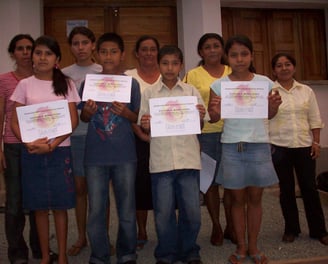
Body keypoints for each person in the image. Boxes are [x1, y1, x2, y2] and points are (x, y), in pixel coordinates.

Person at [208, 35, 281, 264]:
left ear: (251, 55)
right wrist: (215, 109)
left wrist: (272, 107)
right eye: (234, 55)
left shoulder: (265, 83)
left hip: (258, 145)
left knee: (256, 199)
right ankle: (240, 246)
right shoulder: (219, 85)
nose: (239, 59)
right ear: (227, 57)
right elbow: (214, 118)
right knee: (237, 200)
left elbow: (269, 115)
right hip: (231, 145)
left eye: (244, 54)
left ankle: (254, 246)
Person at [11, 35, 80, 264]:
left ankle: (61, 256)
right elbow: (14, 122)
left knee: (60, 207)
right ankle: (44, 256)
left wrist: (51, 145)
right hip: (31, 153)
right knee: (39, 208)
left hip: (59, 152)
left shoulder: (67, 84)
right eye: (38, 53)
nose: (42, 57)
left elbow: (72, 121)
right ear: (32, 57)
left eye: (48, 54)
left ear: (57, 59)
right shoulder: (24, 84)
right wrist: (29, 144)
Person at [139, 45, 206, 264]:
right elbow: (144, 125)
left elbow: (200, 125)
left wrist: (201, 116)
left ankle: (189, 251)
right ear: (159, 65)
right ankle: (166, 254)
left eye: (174, 63)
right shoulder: (149, 93)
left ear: (181, 65)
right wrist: (146, 123)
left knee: (192, 212)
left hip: (188, 160)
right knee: (163, 213)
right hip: (161, 162)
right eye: (165, 63)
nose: (170, 68)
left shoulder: (191, 92)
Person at [80, 32, 140, 264]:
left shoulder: (131, 83)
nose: (108, 56)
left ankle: (127, 253)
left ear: (122, 55)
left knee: (126, 207)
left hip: (125, 154)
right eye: (103, 51)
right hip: (95, 155)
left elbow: (137, 116)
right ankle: (99, 255)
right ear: (97, 54)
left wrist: (126, 113)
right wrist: (86, 112)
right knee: (96, 209)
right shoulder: (88, 82)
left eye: (113, 51)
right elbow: (84, 117)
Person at [269, 52, 328, 246]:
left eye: (287, 64)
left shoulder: (306, 91)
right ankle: (291, 229)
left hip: (304, 145)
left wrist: (316, 142)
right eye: (279, 65)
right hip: (280, 146)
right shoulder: (270, 91)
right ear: (274, 70)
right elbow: (264, 118)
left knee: (309, 188)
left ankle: (319, 230)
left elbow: (314, 118)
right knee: (286, 190)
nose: (284, 68)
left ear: (293, 67)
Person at [183, 33, 235, 246]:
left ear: (222, 49)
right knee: (210, 183)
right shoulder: (193, 75)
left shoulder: (235, 72)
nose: (212, 50)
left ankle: (232, 224)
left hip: (234, 133)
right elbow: (185, 103)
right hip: (206, 134)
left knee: (232, 182)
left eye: (216, 46)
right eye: (207, 47)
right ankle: (216, 225)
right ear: (200, 52)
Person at [61, 26, 106, 257]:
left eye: (84, 43)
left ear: (92, 45)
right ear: (71, 47)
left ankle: (102, 238)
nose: (80, 48)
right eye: (76, 43)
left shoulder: (103, 70)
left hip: (101, 136)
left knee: (100, 191)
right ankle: (81, 237)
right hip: (76, 136)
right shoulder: (63, 73)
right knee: (80, 189)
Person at [0, 34, 41, 264]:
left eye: (29, 48)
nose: (25, 52)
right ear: (12, 53)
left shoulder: (44, 78)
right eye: (20, 48)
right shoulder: (4, 80)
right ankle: (17, 252)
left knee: (37, 201)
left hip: (38, 147)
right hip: (13, 147)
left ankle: (39, 248)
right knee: (14, 202)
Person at [125, 35, 161, 250]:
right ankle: (141, 230)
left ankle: (164, 227)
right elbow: (126, 110)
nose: (148, 53)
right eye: (144, 49)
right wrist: (139, 133)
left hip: (164, 138)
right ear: (137, 53)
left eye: (153, 49)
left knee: (162, 184)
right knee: (139, 186)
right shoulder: (128, 77)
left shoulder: (168, 75)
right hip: (135, 139)